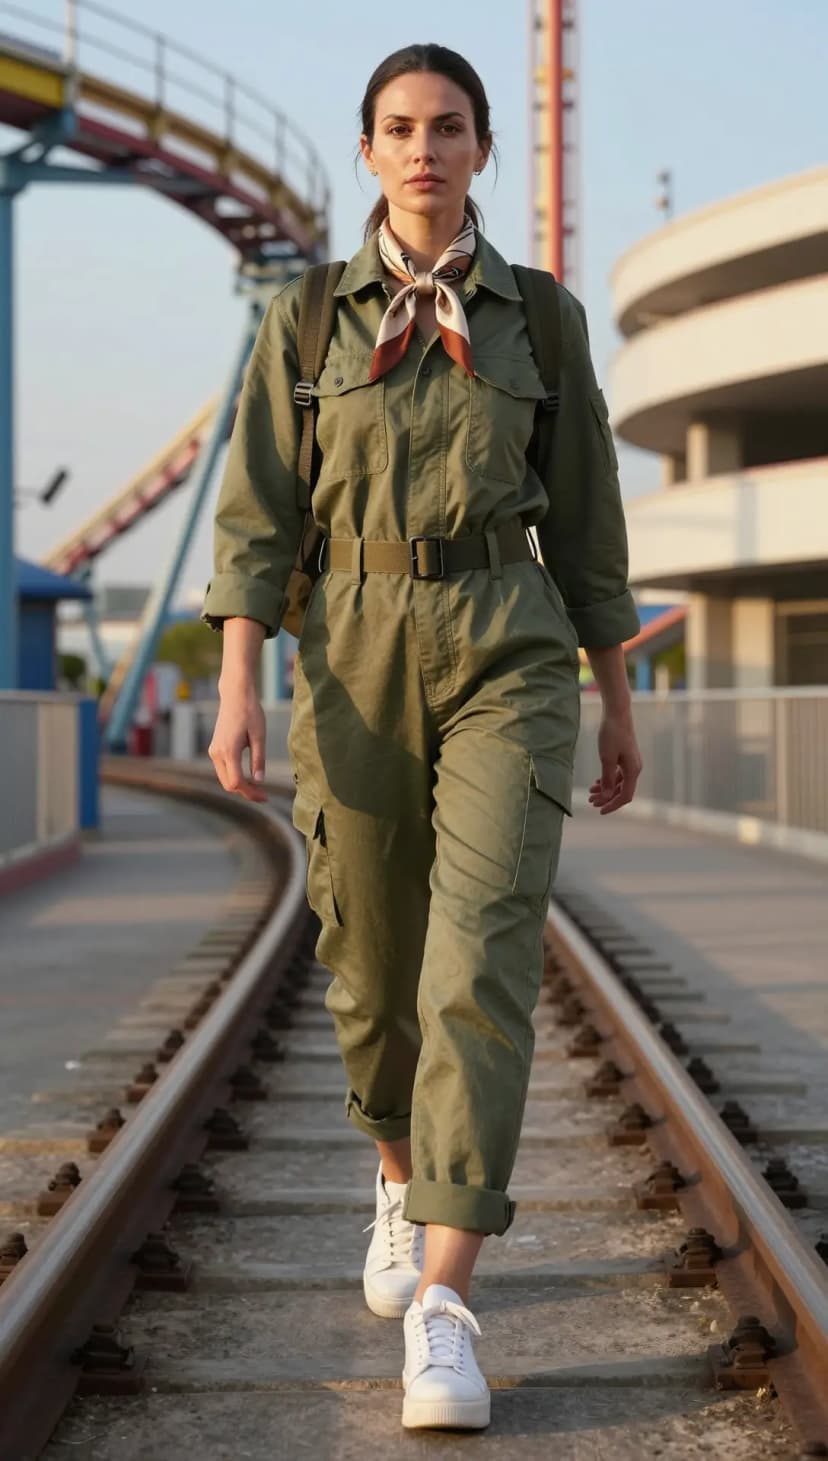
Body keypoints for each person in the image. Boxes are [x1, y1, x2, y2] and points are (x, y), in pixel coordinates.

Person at [202, 42, 642, 1433]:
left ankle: (448, 1297)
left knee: (481, 956)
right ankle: (398, 1171)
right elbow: (259, 511)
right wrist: (232, 684)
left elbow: (586, 517)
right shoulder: (308, 319)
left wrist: (617, 694)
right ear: (370, 148)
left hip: (507, 639)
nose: (424, 151)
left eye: (449, 128)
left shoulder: (544, 320)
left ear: (482, 147)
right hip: (351, 644)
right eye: (399, 128)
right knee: (372, 961)